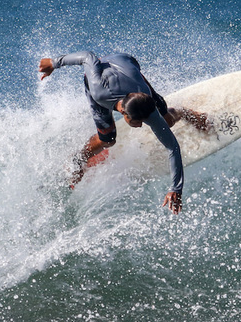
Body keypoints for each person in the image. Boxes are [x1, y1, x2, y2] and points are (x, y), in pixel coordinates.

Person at [39, 51, 210, 214]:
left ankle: (182, 112)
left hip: (127, 64)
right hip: (99, 79)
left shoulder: (145, 103)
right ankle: (79, 159)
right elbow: (88, 57)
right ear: (123, 113)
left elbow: (173, 147)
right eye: (138, 123)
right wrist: (55, 63)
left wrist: (176, 188)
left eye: (144, 121)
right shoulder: (100, 92)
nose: (142, 126)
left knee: (166, 121)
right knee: (108, 139)